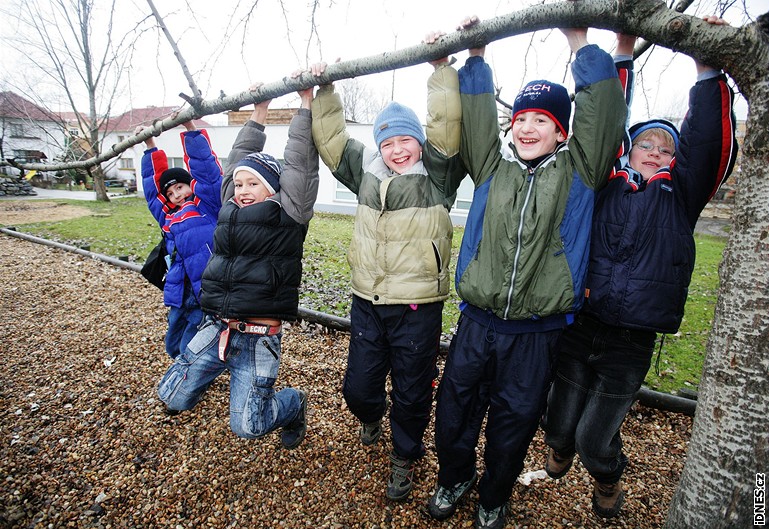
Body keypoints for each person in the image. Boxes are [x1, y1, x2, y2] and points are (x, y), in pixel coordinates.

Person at [427, 16, 627, 529]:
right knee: (455, 411)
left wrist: (579, 42)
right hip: (478, 322)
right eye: (520, 118)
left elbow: (601, 115)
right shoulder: (492, 167)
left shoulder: (579, 172)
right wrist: (475, 57)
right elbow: (474, 121)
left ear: (561, 131)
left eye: (542, 120)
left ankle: (494, 496)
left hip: (536, 334)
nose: (528, 126)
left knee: (514, 423)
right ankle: (455, 477)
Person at [541, 17, 738, 519]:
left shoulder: (681, 195)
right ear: (630, 150)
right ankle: (560, 446)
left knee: (592, 439)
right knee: (559, 427)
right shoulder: (607, 182)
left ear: (676, 159)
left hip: (632, 339)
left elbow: (709, 145)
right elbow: (606, 118)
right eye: (645, 144)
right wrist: (622, 50)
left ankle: (608, 477)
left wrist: (708, 72)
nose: (654, 152)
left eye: (665, 147)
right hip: (582, 322)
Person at [308, 41, 465, 501]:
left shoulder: (437, 173)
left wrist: (441, 70)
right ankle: (371, 413)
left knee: (413, 391)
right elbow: (332, 141)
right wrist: (325, 89)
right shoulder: (365, 171)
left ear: (418, 141)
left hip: (417, 306)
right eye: (389, 141)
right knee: (358, 387)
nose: (397, 150)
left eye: (405, 139)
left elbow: (448, 127)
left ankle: (404, 457)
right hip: (367, 301)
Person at [156, 77, 320, 450]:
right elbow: (237, 159)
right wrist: (259, 110)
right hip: (215, 326)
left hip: (257, 337)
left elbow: (300, 162)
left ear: (273, 189)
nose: (243, 190)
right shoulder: (228, 208)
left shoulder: (289, 214)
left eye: (253, 184)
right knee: (172, 395)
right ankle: (228, 379)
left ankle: (293, 405)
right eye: (240, 184)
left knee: (248, 426)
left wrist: (305, 102)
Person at [138, 119, 222, 360]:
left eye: (181, 187)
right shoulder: (169, 217)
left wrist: (190, 130)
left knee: (194, 339)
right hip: (178, 290)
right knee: (173, 336)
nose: (177, 195)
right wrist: (149, 143)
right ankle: (181, 365)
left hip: (204, 291)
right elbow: (153, 191)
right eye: (171, 193)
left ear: (191, 185)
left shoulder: (208, 206)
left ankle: (189, 373)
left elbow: (207, 172)